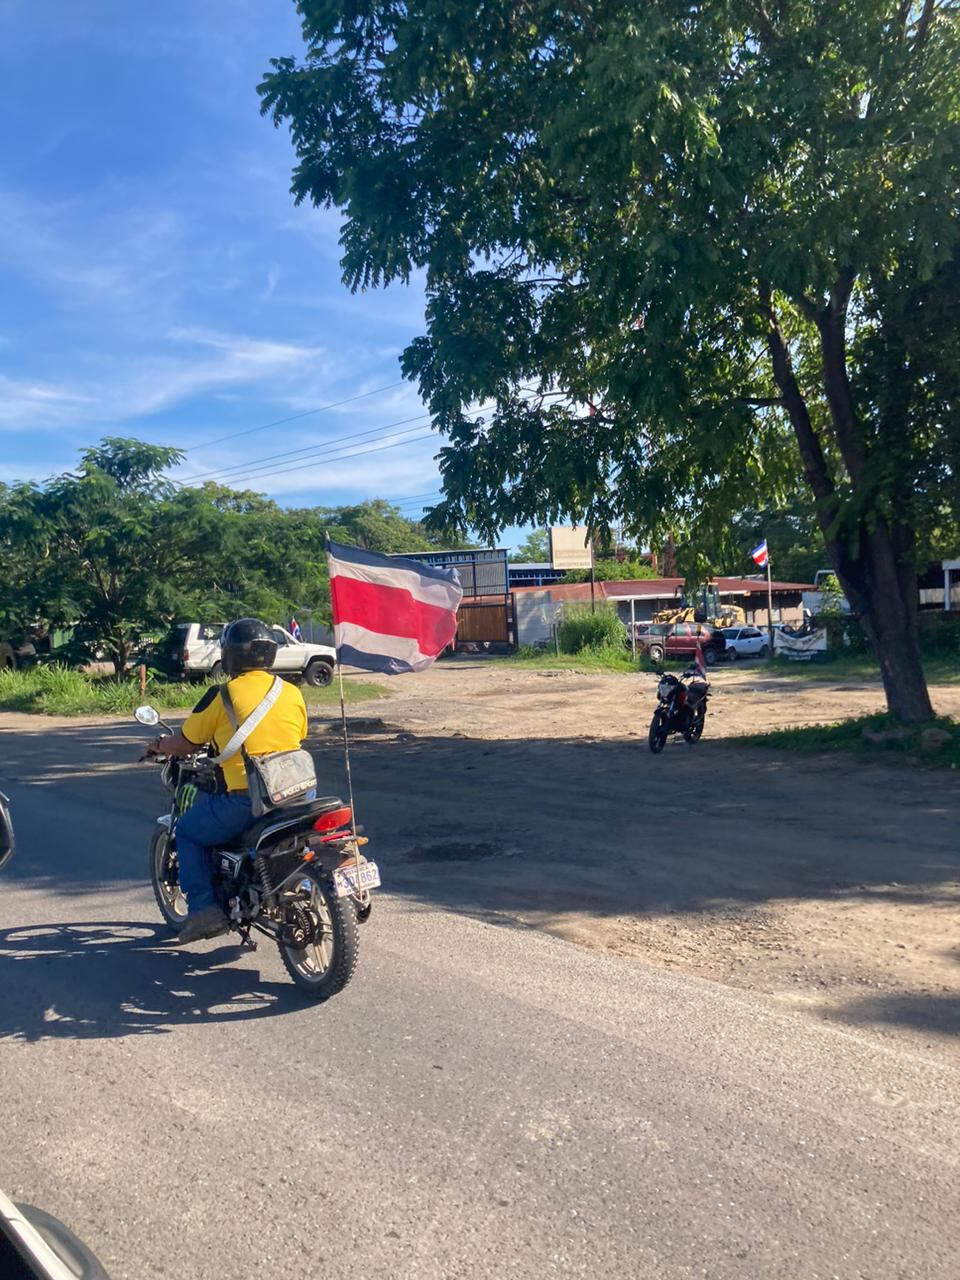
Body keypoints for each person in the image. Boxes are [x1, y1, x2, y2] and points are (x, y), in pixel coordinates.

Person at [150, 617, 308, 945]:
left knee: (190, 831)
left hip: (247, 800)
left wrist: (160, 746)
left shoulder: (222, 695)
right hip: (299, 793)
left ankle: (205, 911)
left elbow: (188, 743)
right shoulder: (291, 692)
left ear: (231, 655)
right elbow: (298, 735)